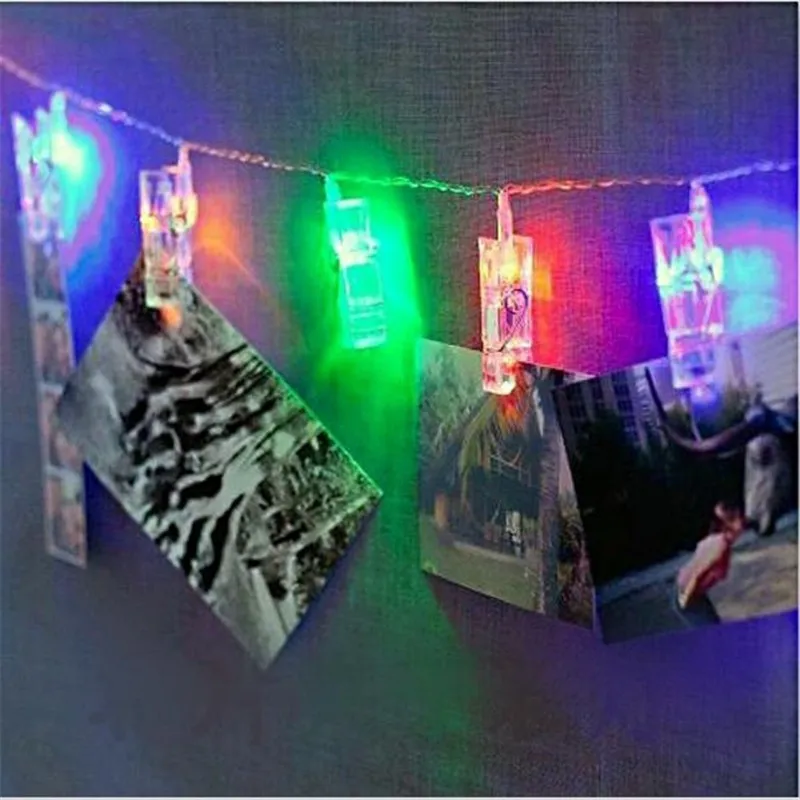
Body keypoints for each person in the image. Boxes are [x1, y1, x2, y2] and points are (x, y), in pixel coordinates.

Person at [674, 502, 746, 625]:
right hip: (687, 592)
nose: (742, 523)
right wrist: (686, 598)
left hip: (692, 592)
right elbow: (697, 574)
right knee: (714, 632)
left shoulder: (715, 539)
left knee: (715, 629)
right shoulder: (721, 545)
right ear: (728, 525)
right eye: (738, 519)